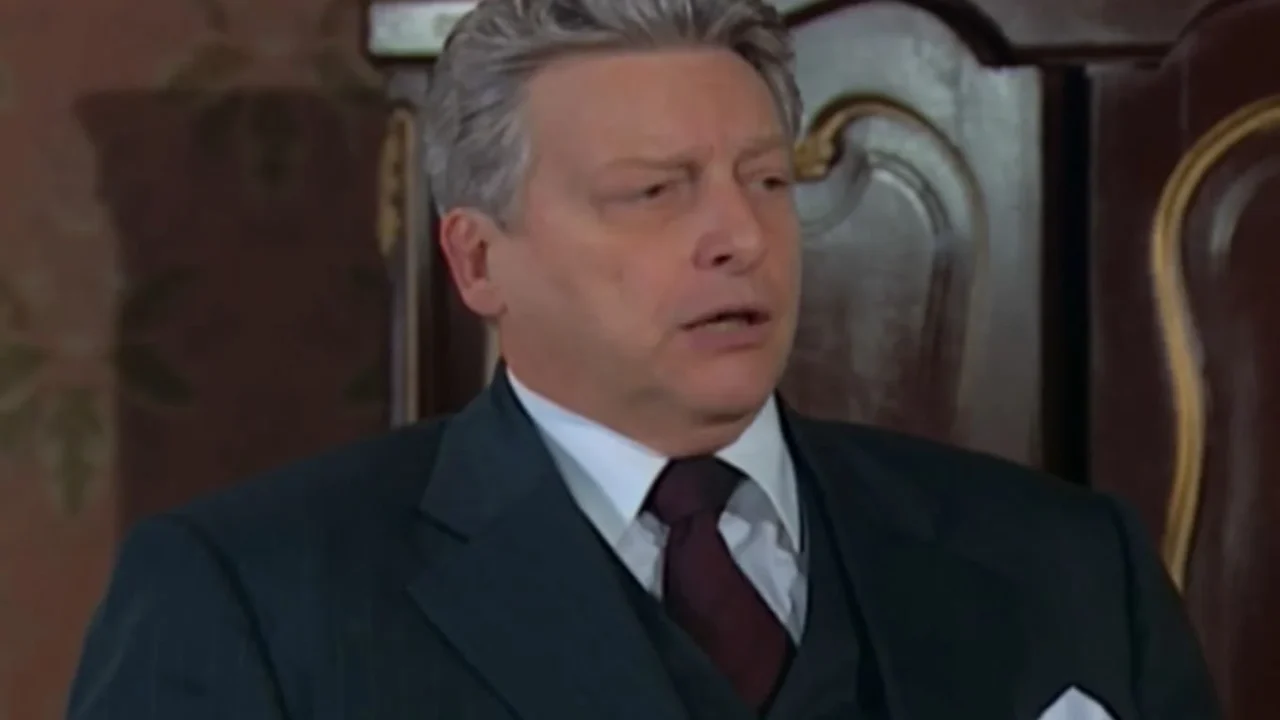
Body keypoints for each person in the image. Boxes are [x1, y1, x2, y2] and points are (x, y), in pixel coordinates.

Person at [67, 0, 1220, 718]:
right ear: (478, 260)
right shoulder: (251, 598)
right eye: (654, 192)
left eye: (764, 180)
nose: (739, 235)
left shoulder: (1070, 565)